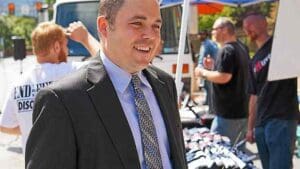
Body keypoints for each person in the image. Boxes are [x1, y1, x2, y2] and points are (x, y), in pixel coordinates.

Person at [25, 0, 187, 169]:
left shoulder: (165, 84)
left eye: (156, 26)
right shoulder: (62, 100)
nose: (151, 35)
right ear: (104, 27)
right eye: (137, 23)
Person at [0, 21, 99, 152]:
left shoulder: (18, 84)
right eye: (65, 46)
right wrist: (85, 37)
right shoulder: (72, 71)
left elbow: (4, 125)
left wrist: (30, 128)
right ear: (57, 47)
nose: (67, 51)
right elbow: (106, 63)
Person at [243, 13, 299, 169]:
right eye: (244, 27)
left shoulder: (281, 46)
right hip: (261, 123)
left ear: (264, 24)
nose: (247, 29)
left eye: (250, 25)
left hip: (281, 118)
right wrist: (250, 127)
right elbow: (253, 96)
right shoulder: (254, 60)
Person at [195, 17, 249, 147]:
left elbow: (224, 77)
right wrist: (213, 66)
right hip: (240, 111)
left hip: (228, 114)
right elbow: (230, 71)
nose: (212, 33)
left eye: (214, 29)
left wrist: (202, 73)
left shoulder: (227, 50)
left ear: (223, 30)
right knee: (238, 154)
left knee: (218, 150)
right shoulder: (241, 47)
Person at [196, 30, 218, 112]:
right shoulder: (212, 43)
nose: (199, 36)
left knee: (210, 89)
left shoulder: (205, 44)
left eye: (201, 34)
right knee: (209, 88)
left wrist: (198, 70)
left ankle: (212, 110)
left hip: (210, 70)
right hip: (215, 69)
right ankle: (210, 105)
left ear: (205, 35)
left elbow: (201, 60)